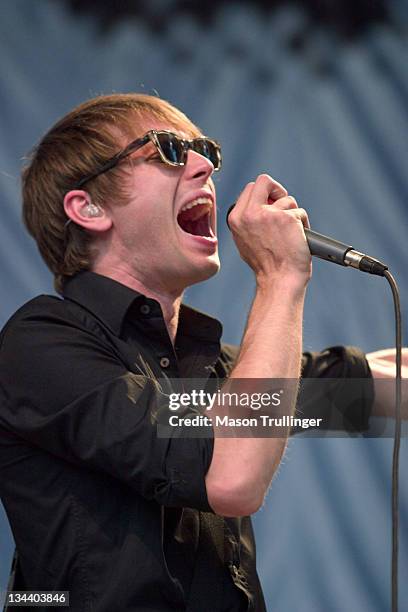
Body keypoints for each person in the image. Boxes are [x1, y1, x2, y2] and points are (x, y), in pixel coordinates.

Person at [0, 93, 404, 612]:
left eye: (206, 149)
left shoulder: (220, 374)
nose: (206, 165)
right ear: (89, 207)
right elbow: (232, 477)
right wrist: (280, 277)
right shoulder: (40, 345)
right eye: (169, 150)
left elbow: (379, 387)